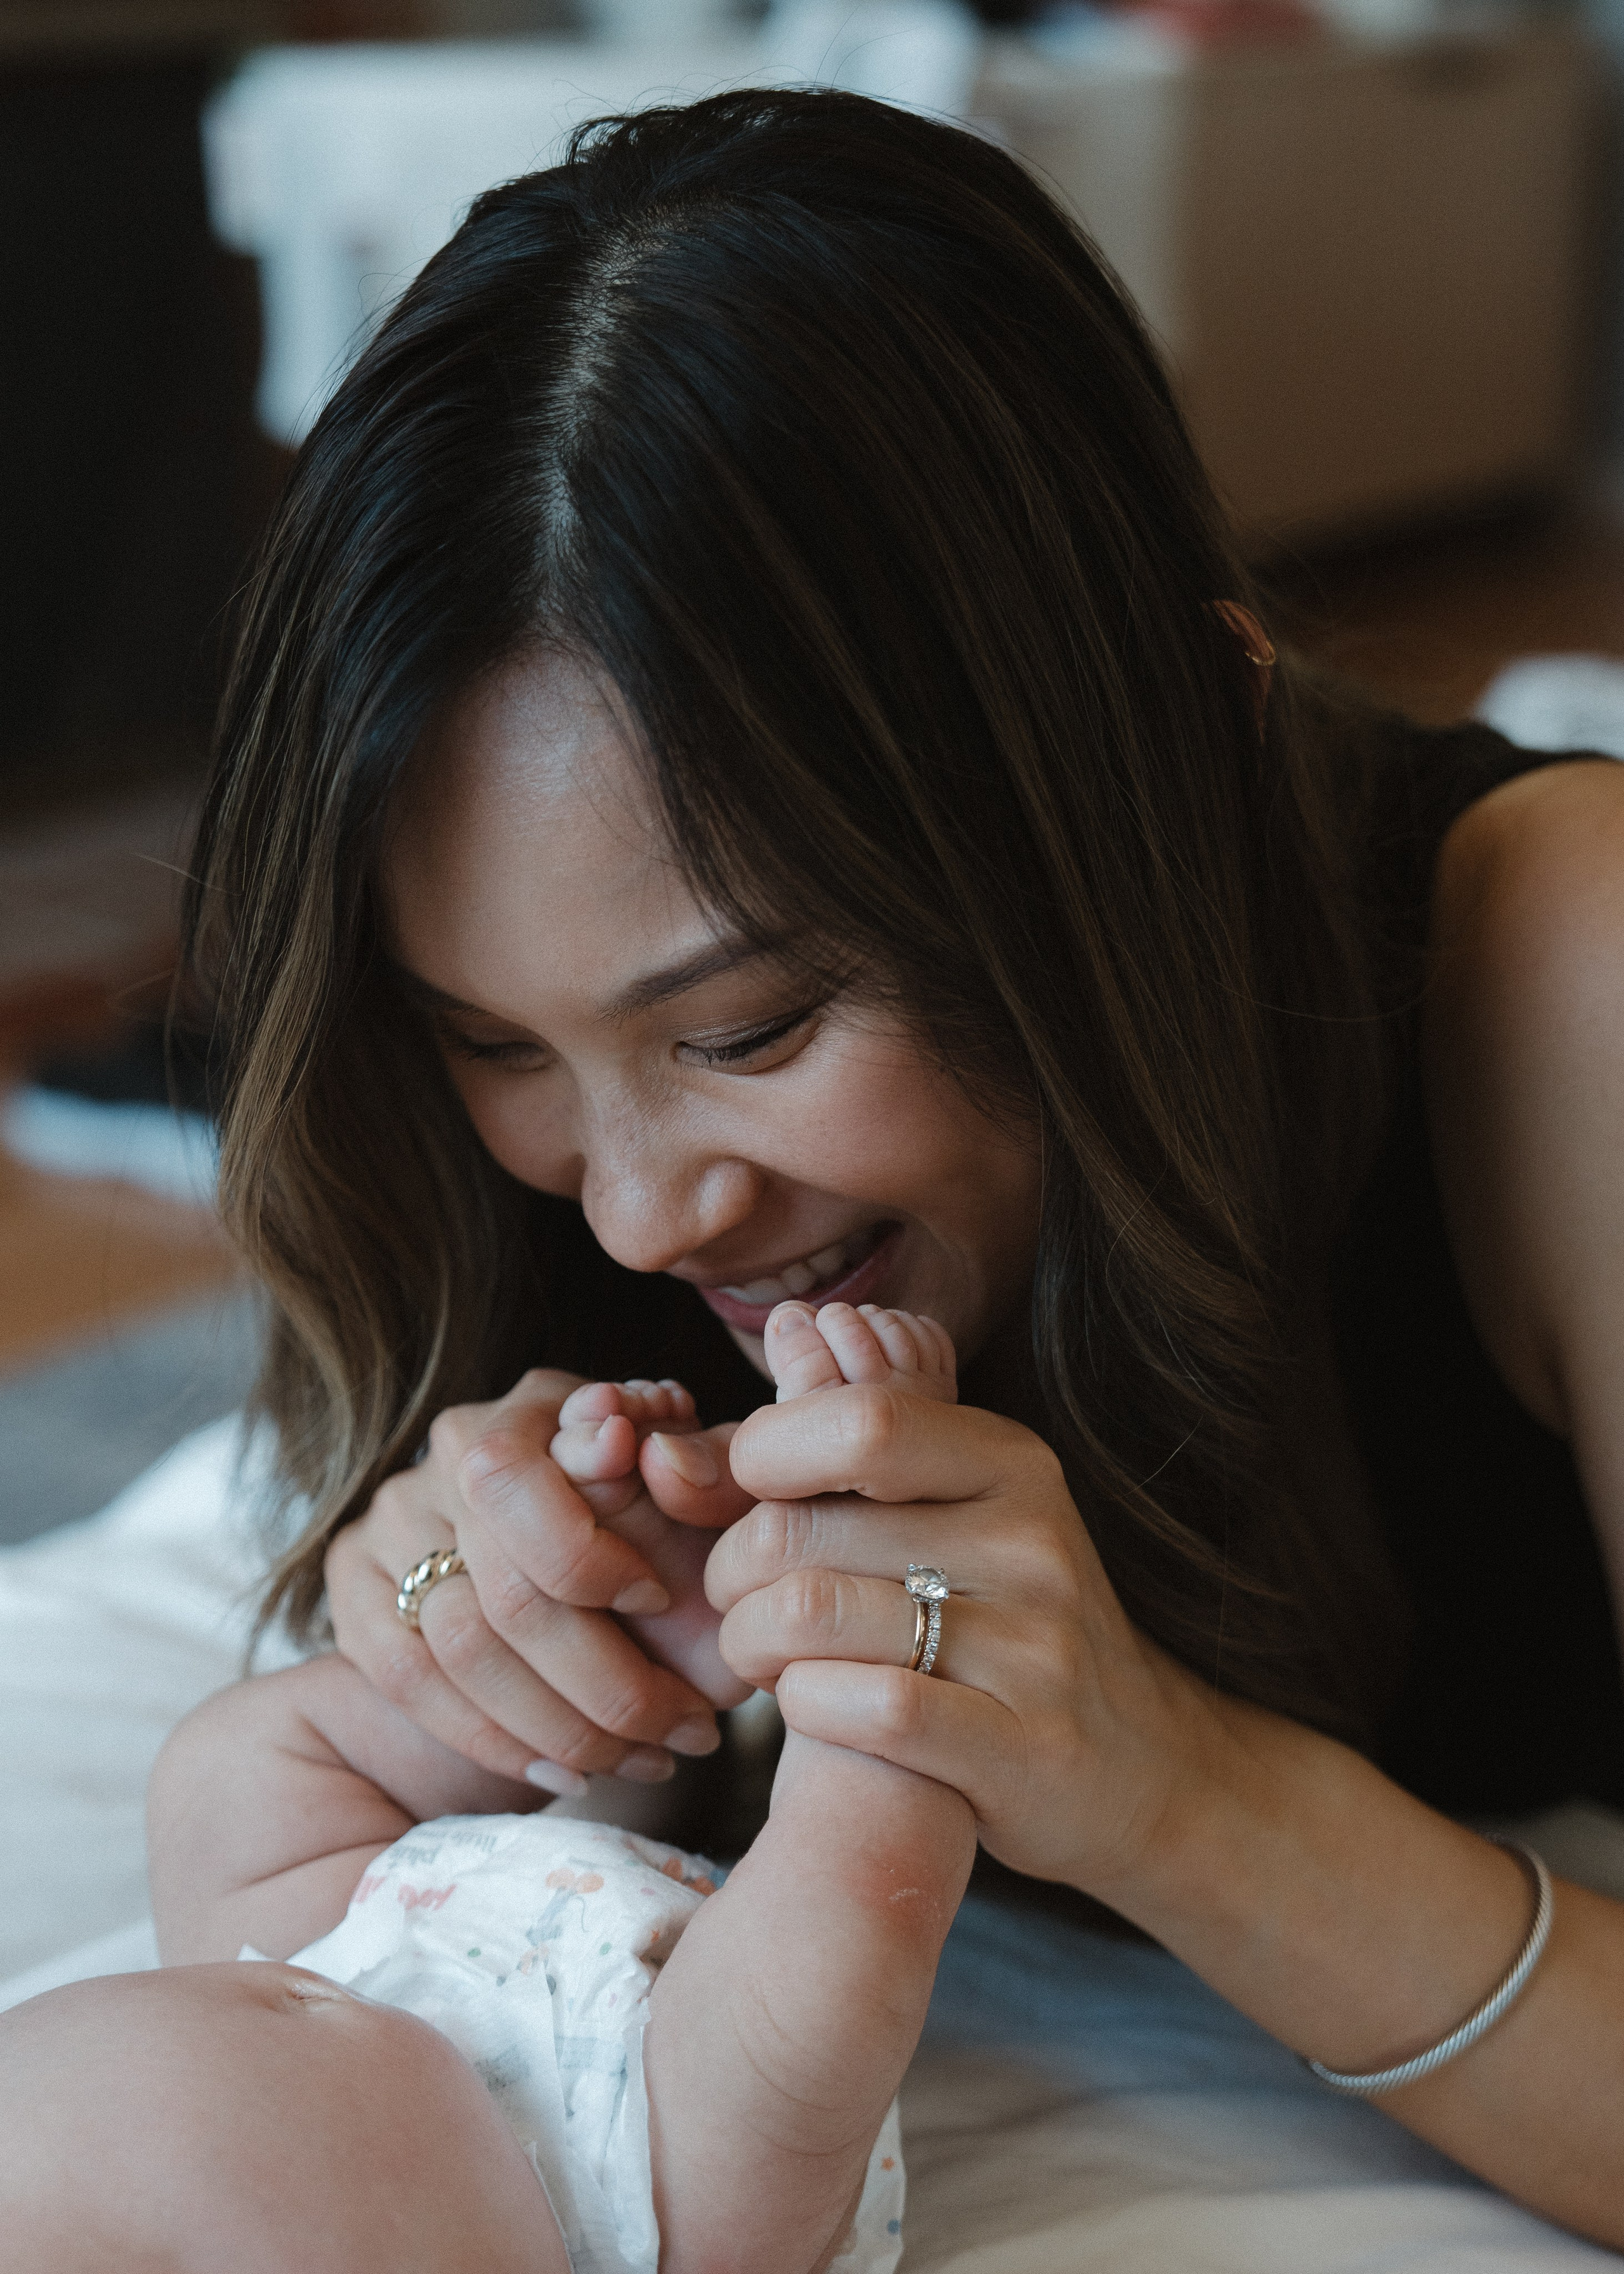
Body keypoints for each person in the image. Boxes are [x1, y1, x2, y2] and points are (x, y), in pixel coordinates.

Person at [171, 86, 1624, 2249]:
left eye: (747, 1028)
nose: (642, 1213)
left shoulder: (1564, 979)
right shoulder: (548, 1198)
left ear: (1174, 776)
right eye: (494, 1039)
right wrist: (546, 1688)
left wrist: (1175, 1789)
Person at [0, 1305, 971, 2274]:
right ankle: (874, 1567)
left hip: (327, 1948)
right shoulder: (661, 2185)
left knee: (223, 1773)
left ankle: (625, 1661)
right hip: (597, 2186)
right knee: (830, 1965)